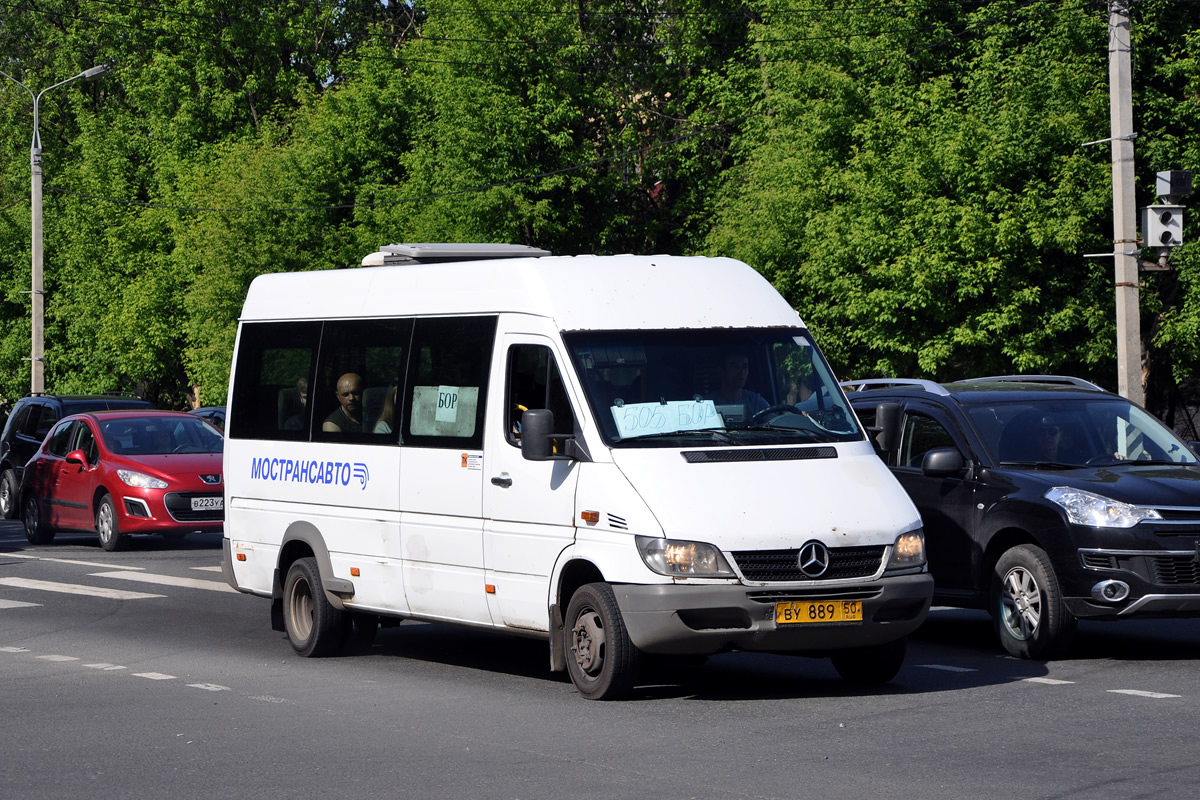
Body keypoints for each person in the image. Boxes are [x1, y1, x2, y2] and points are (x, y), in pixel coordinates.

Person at [710, 353, 769, 420]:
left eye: (744, 367)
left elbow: (775, 422)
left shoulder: (755, 401)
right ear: (721, 371)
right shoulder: (708, 404)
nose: (741, 372)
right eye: (735, 367)